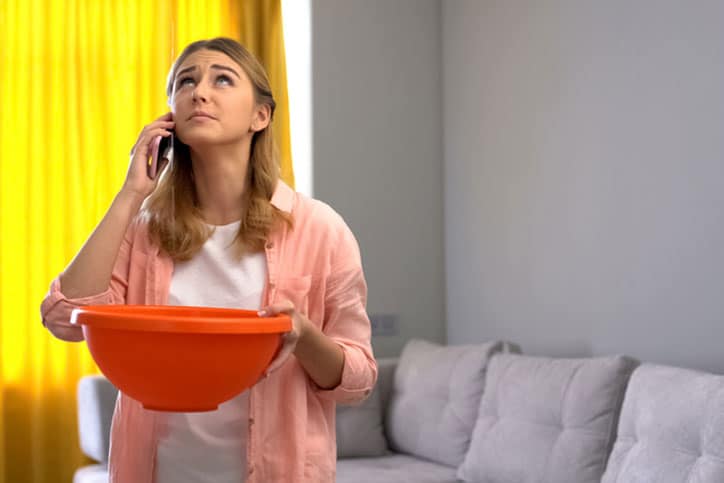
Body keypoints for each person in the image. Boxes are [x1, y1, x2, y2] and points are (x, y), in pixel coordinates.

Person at [40, 37, 377, 483]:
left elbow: (358, 380)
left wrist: (302, 334)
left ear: (261, 115)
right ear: (170, 118)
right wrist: (130, 194)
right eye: (186, 81)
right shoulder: (142, 231)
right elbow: (64, 317)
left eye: (222, 78)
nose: (199, 91)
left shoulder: (319, 228)